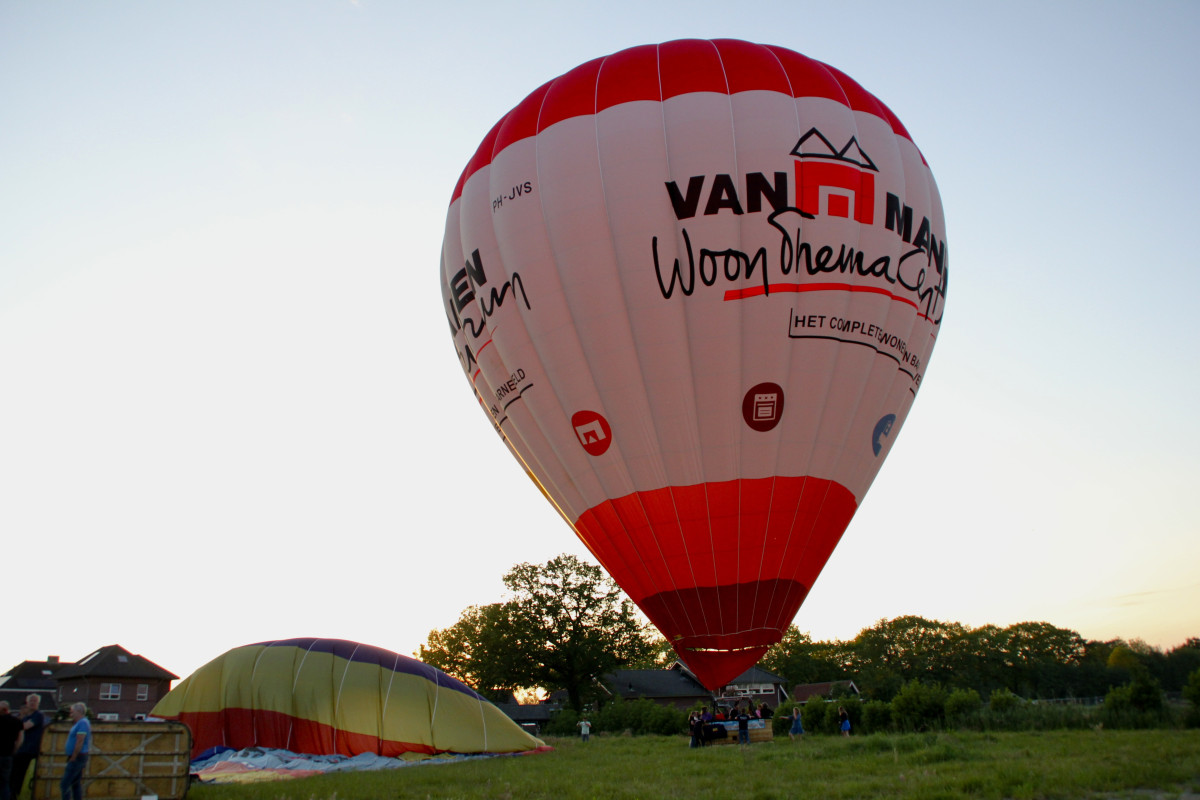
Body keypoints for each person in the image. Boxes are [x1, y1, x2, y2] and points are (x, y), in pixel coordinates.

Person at [10, 694, 45, 800]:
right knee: (14, 772)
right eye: (31, 701)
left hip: (29, 749)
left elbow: (25, 726)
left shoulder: (38, 715)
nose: (33, 703)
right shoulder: (25, 716)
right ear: (27, 703)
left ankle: (14, 793)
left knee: (19, 772)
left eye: (35, 701)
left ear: (38, 703)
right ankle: (13, 793)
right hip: (21, 748)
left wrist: (12, 724)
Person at [60, 703, 91, 800]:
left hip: (78, 756)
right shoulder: (80, 723)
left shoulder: (82, 723)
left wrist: (74, 756)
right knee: (75, 783)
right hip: (78, 756)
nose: (71, 714)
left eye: (72, 712)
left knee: (65, 784)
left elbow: (80, 740)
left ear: (78, 712)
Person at [0, 701, 25, 800]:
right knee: (5, 782)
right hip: (8, 755)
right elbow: (20, 739)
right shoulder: (17, 721)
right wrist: (14, 750)